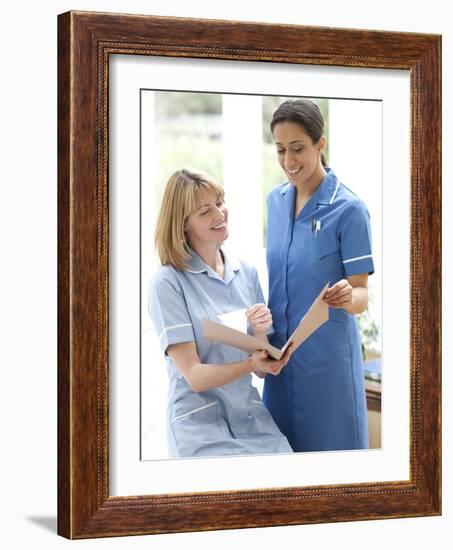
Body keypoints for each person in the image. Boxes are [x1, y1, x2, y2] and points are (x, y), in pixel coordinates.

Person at [148, 168, 293, 458]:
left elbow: (261, 366)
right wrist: (249, 365)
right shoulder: (168, 282)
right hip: (199, 424)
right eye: (205, 211)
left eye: (220, 201)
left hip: (250, 417)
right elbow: (195, 376)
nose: (219, 214)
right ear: (183, 224)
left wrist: (261, 335)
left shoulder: (245, 272)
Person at [263, 99, 374, 452]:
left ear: (320, 144)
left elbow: (362, 295)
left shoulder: (350, 210)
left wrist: (347, 294)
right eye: (280, 150)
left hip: (329, 371)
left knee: (335, 484)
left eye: (298, 148)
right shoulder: (275, 203)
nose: (288, 161)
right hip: (280, 366)